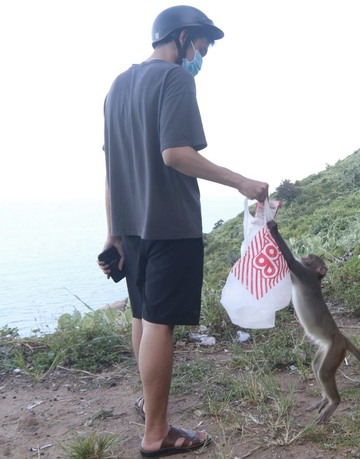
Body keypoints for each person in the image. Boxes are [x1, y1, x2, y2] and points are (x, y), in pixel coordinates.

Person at [98, 5, 269, 457]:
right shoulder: (175, 79)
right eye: (203, 46)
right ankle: (156, 434)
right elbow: (176, 153)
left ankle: (147, 404)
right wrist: (242, 181)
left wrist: (114, 232)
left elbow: (112, 165)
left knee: (142, 316)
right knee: (160, 324)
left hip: (131, 226)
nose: (202, 55)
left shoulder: (117, 86)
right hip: (170, 223)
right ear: (183, 37)